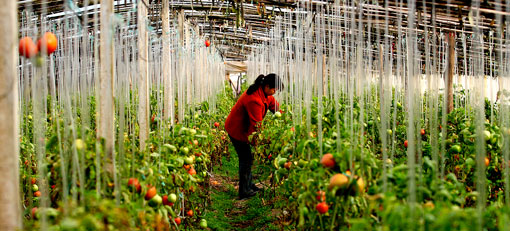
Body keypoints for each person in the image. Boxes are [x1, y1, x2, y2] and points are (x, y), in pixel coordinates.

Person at [224, 73, 284, 199]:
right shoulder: (254, 99)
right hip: (237, 130)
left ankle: (249, 185)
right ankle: (244, 191)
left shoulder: (265, 94)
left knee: (247, 158)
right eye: (274, 89)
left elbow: (276, 108)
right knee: (245, 159)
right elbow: (256, 126)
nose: (275, 92)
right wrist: (260, 143)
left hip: (243, 129)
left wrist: (285, 117)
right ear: (267, 86)